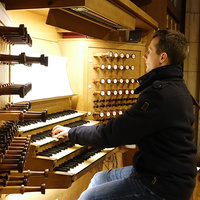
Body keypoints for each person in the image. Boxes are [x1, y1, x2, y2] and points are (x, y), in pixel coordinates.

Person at [52, 29, 197, 200]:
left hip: (162, 184)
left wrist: (72, 133)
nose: (144, 56)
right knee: (99, 177)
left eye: (149, 51)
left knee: (88, 198)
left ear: (162, 57)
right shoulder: (179, 88)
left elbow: (114, 133)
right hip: (166, 172)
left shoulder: (160, 94)